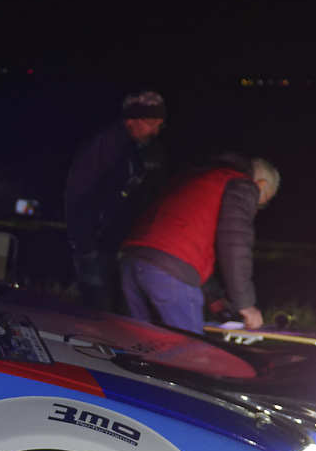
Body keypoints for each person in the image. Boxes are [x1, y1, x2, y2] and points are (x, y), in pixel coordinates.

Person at [117, 154, 279, 334]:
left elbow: (186, 245)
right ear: (261, 185)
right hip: (168, 271)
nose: (255, 210)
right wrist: (246, 304)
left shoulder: (201, 177)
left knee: (141, 344)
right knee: (187, 352)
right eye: (260, 204)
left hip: (131, 260)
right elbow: (235, 244)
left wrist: (215, 298)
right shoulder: (243, 184)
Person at [62, 90, 168, 309]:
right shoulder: (105, 146)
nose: (155, 130)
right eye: (150, 123)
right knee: (98, 308)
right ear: (131, 121)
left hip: (117, 244)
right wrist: (84, 243)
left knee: (115, 306)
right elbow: (78, 192)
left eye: (159, 124)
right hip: (95, 244)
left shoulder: (140, 151)